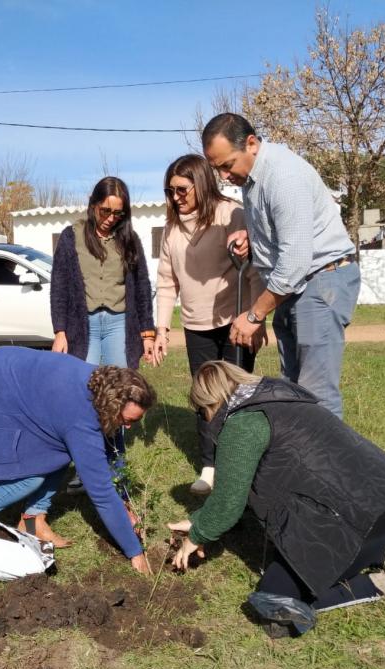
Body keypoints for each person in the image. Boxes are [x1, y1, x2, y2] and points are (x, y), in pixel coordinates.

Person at [169, 361, 385, 637]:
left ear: (208, 405)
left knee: (274, 603)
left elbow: (229, 504)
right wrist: (197, 522)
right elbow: (238, 490)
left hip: (358, 523)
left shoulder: (242, 425)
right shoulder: (282, 396)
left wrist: (197, 536)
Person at [202, 113, 361, 419]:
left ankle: (326, 467)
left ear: (251, 144)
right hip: (295, 288)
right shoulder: (254, 178)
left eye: (227, 165)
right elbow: (285, 230)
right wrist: (251, 236)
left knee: (317, 392)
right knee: (293, 387)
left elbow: (294, 263)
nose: (223, 176)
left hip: (319, 281)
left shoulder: (284, 177)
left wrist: (253, 315)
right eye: (216, 168)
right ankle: (300, 461)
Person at [0, 346, 154, 572]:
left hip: (11, 382)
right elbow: (101, 493)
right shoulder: (80, 418)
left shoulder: (106, 389)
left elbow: (114, 448)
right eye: (127, 420)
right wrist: (134, 551)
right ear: (114, 405)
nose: (127, 427)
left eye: (134, 422)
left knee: (58, 453)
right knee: (28, 478)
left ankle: (33, 521)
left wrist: (125, 501)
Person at [151, 154, 264, 495]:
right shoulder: (171, 228)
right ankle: (210, 466)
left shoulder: (232, 214)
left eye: (182, 189)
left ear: (200, 183)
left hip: (235, 321)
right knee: (206, 398)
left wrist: (256, 319)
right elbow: (167, 282)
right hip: (196, 326)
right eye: (170, 190)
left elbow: (255, 270)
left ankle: (242, 464)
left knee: (237, 395)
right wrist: (161, 329)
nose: (175, 197)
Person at [50, 176, 155, 492]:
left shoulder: (130, 240)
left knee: (121, 396)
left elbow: (142, 287)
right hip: (84, 327)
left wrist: (146, 334)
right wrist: (60, 331)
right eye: (105, 211)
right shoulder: (71, 237)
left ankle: (116, 466)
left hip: (120, 326)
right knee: (88, 395)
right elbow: (59, 286)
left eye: (118, 213)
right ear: (93, 205)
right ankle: (86, 466)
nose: (111, 218)